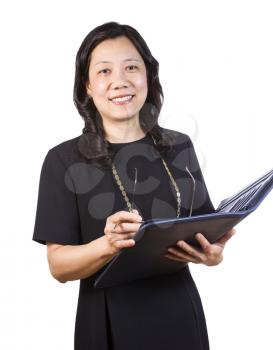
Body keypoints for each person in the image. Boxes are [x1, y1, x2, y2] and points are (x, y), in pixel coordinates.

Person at [32, 21, 236, 350]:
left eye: (131, 67)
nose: (120, 82)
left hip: (181, 316)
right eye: (104, 72)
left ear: (148, 75)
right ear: (86, 85)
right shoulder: (63, 160)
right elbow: (58, 267)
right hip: (108, 322)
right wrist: (108, 245)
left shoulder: (179, 146)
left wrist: (212, 254)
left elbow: (201, 232)